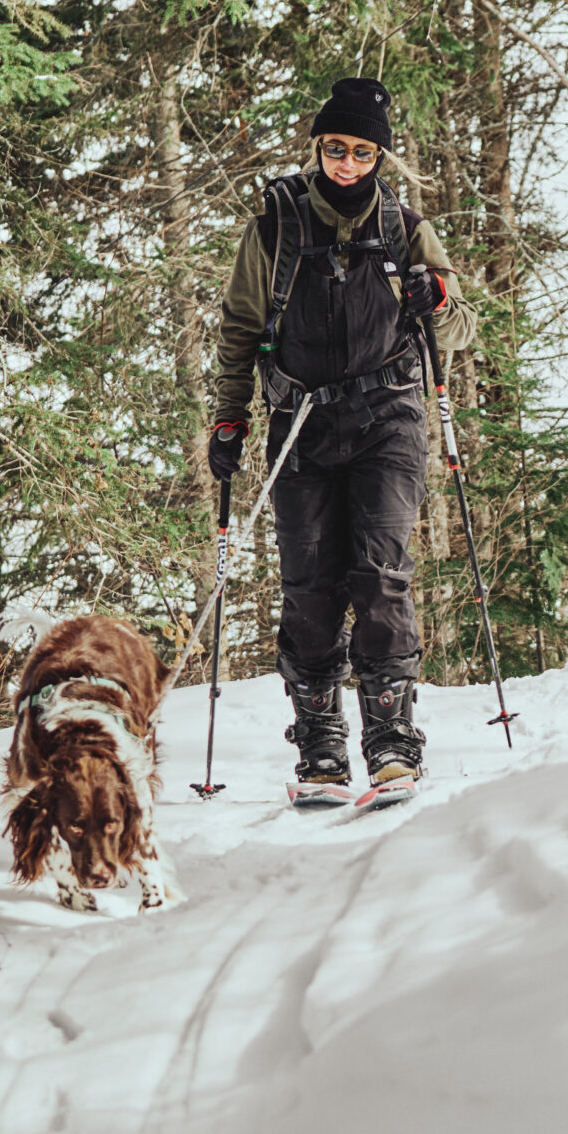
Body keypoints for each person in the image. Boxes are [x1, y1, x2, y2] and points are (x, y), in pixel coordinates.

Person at [206, 77, 477, 806]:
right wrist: (228, 420)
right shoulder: (276, 227)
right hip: (300, 425)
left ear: (381, 156)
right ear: (317, 146)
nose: (348, 163)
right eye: (336, 148)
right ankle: (320, 751)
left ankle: (392, 745)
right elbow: (238, 331)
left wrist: (438, 297)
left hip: (389, 418)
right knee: (308, 585)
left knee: (381, 571)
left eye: (363, 151)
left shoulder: (405, 227)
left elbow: (459, 331)